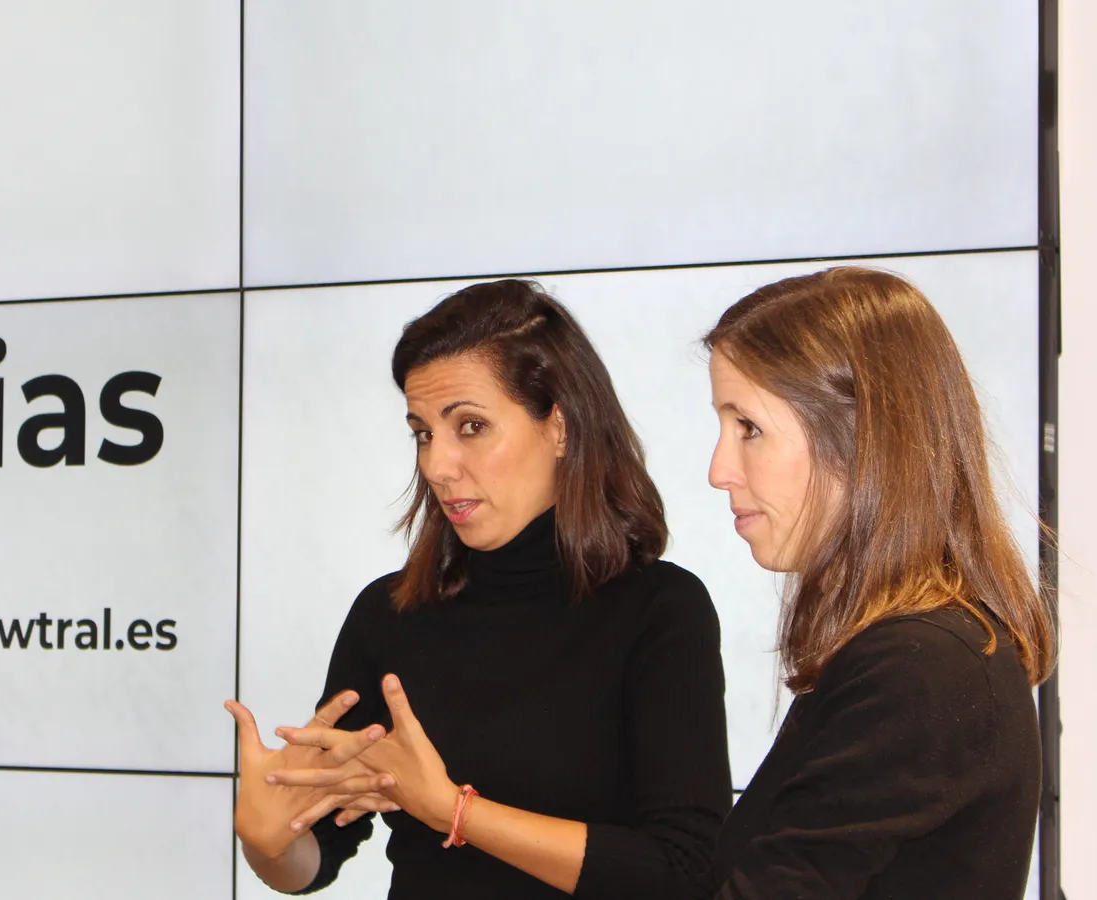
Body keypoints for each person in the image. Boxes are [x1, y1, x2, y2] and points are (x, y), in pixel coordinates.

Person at [225, 279, 733, 898]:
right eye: (422, 433)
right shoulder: (389, 614)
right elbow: (316, 857)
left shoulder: (660, 610)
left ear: (560, 426)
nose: (437, 466)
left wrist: (453, 811)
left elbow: (685, 871)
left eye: (470, 426)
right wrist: (269, 839)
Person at [702, 266, 1056, 899]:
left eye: (748, 428)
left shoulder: (919, 666)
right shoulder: (909, 652)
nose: (718, 469)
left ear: (860, 438)